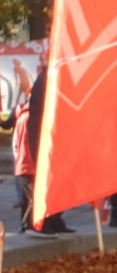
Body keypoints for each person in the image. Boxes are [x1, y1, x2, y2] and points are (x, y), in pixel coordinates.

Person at [15, 54, 72, 237]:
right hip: (35, 155)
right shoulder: (45, 83)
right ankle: (35, 223)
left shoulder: (52, 82)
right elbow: (37, 123)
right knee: (34, 193)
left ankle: (53, 219)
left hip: (48, 149)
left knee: (53, 188)